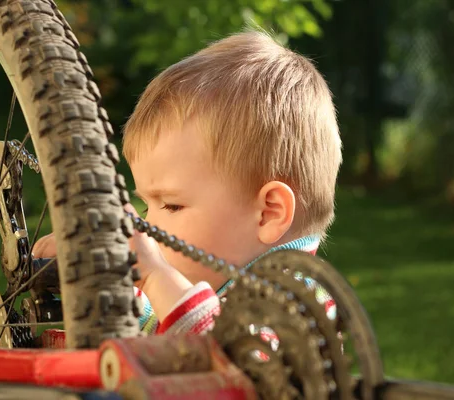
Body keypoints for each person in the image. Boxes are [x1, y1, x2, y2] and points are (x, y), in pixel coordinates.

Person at [32, 29, 342, 335]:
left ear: (269, 212)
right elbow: (159, 323)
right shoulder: (236, 286)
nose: (145, 225)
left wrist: (156, 277)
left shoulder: (294, 305)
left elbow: (232, 367)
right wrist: (99, 279)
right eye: (145, 204)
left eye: (171, 205)